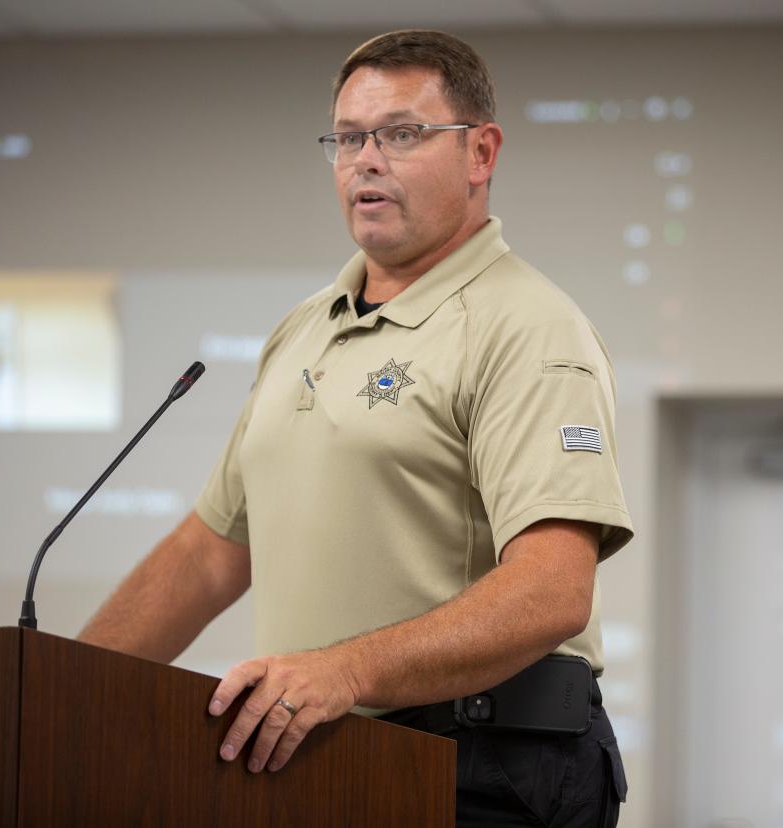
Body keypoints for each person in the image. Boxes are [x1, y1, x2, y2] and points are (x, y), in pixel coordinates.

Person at [79, 29, 632, 826]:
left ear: (481, 153)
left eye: (402, 134)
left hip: (485, 772)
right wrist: (52, 688)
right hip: (325, 765)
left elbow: (553, 590)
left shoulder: (529, 327)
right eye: (347, 138)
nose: (366, 159)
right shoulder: (304, 329)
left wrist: (343, 672)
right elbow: (208, 556)